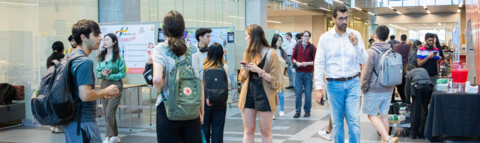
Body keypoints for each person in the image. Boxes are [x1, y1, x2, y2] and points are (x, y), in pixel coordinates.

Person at [314, 5, 369, 143]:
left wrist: (356, 46)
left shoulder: (355, 35)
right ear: (333, 19)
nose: (344, 21)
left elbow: (363, 60)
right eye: (341, 18)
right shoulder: (325, 38)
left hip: (353, 83)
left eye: (346, 18)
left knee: (354, 122)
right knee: (337, 124)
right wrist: (319, 88)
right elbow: (319, 63)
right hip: (333, 84)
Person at [63, 19, 119, 143]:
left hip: (71, 122)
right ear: (83, 37)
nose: (100, 38)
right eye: (96, 35)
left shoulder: (69, 57)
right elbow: (86, 95)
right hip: (83, 123)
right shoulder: (84, 62)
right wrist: (106, 91)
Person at [152, 10, 204, 143]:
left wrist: (161, 89)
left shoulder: (160, 49)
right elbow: (200, 82)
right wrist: (201, 110)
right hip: (191, 108)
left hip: (167, 109)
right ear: (183, 29)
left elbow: (157, 79)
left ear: (164, 29)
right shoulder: (194, 50)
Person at [238, 24, 281, 143]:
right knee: (248, 130)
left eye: (247, 36)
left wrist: (259, 71)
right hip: (248, 94)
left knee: (265, 131)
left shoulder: (271, 53)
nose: (246, 39)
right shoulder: (248, 53)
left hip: (265, 95)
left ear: (254, 37)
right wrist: (246, 70)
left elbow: (276, 81)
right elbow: (241, 78)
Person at [360, 25, 398, 143]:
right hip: (388, 89)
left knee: (371, 115)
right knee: (384, 116)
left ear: (375, 36)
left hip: (374, 89)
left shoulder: (370, 52)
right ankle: (385, 141)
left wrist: (363, 89)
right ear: (387, 37)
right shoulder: (391, 51)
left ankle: (387, 138)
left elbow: (366, 73)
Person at [96, 33, 127, 143]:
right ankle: (115, 135)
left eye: (107, 40)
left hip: (116, 85)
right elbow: (98, 72)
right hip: (104, 85)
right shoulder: (101, 56)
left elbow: (122, 73)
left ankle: (107, 136)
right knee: (107, 113)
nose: (104, 41)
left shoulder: (119, 57)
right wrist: (102, 74)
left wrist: (110, 75)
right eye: (104, 40)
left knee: (110, 112)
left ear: (114, 42)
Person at [201, 43, 229, 143]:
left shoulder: (203, 66)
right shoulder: (224, 66)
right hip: (220, 101)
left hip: (206, 102)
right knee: (218, 129)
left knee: (204, 129)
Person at [404, 64, 433, 139]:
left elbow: (407, 88)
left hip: (418, 87)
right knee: (424, 109)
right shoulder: (423, 69)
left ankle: (413, 133)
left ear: (407, 70)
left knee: (416, 110)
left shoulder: (409, 73)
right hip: (429, 86)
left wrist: (407, 102)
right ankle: (422, 132)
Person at [291, 30, 316, 118]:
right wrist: (296, 62)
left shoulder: (312, 47)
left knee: (308, 93)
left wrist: (308, 63)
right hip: (299, 72)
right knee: (298, 93)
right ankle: (297, 111)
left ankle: (307, 110)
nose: (307, 37)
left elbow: (316, 61)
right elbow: (293, 57)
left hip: (308, 73)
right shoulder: (297, 46)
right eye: (305, 36)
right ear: (301, 37)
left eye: (308, 36)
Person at [46, 41, 65, 133]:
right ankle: (59, 126)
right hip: (59, 84)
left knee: (52, 105)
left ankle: (53, 125)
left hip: (50, 84)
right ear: (62, 48)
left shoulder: (49, 58)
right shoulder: (63, 58)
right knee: (60, 106)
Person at [271, 34, 287, 118]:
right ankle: (272, 112)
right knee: (273, 95)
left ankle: (281, 110)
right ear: (275, 41)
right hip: (272, 76)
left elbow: (286, 62)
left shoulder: (282, 51)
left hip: (281, 76)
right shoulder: (270, 51)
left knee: (281, 94)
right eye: (279, 40)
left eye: (281, 40)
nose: (280, 42)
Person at [391, 34, 410, 103]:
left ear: (400, 38)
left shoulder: (396, 46)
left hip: (396, 67)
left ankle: (393, 101)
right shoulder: (408, 46)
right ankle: (404, 102)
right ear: (406, 38)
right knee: (402, 87)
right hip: (405, 68)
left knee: (393, 86)